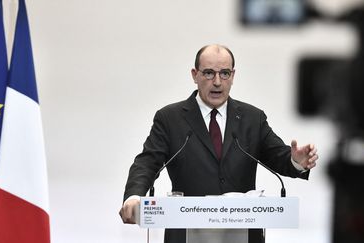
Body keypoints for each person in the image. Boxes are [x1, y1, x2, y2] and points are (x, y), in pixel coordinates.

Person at [119, 44, 318, 243]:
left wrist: (296, 161)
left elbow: (278, 158)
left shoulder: (252, 118)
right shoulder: (170, 118)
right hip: (187, 233)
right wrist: (134, 197)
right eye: (208, 73)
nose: (217, 82)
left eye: (224, 73)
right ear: (194, 75)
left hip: (242, 233)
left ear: (233, 76)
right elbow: (147, 162)